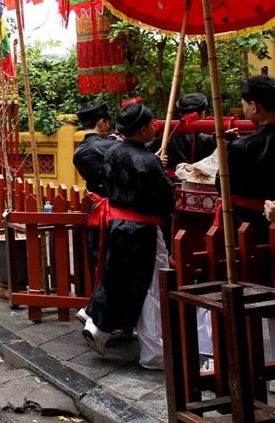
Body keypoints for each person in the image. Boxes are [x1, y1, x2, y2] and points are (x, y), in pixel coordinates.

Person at [82, 101, 174, 370]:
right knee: (153, 288)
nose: (156, 126)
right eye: (152, 122)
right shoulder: (148, 161)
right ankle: (154, 352)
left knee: (117, 278)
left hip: (117, 224)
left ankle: (98, 327)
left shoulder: (112, 153)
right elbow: (167, 201)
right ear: (144, 128)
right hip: (143, 229)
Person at [222, 75, 275, 239]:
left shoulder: (241, 147)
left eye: (244, 105)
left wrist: (225, 152)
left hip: (254, 230)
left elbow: (222, 186)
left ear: (254, 107)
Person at [71, 101, 115, 323]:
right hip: (116, 210)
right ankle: (97, 313)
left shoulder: (80, 152)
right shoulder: (111, 148)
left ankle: (96, 310)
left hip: (96, 208)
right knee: (112, 263)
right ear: (102, 122)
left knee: (98, 261)